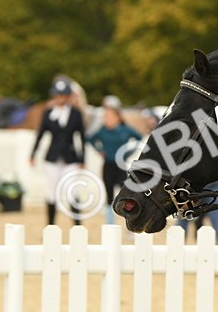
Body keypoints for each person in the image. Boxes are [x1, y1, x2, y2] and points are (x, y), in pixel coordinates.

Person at [30, 78, 86, 226]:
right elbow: (41, 134)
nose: (60, 98)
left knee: (72, 191)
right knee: (51, 192)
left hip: (71, 157)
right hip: (53, 157)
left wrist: (82, 159)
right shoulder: (48, 113)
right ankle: (50, 226)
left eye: (63, 95)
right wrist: (33, 154)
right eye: (57, 95)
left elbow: (81, 137)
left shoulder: (75, 113)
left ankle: (78, 227)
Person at [86, 95, 143, 225]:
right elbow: (89, 139)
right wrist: (99, 150)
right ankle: (110, 223)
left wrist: (128, 152)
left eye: (110, 116)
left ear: (117, 116)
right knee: (109, 196)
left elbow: (139, 138)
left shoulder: (125, 129)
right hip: (108, 166)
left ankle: (130, 221)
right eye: (106, 116)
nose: (107, 118)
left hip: (121, 167)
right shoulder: (103, 131)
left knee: (127, 196)